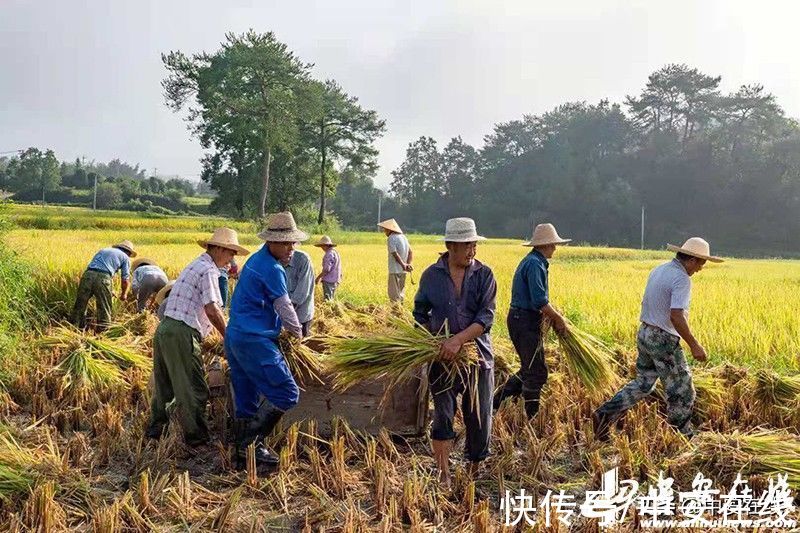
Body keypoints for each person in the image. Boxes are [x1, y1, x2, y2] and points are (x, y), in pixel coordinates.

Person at [593, 237, 723, 440]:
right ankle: (682, 436)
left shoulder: (659, 270)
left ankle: (605, 413)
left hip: (645, 333)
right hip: (663, 339)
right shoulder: (682, 279)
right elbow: (676, 315)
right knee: (682, 389)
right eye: (701, 263)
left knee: (644, 383)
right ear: (692, 260)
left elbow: (647, 301)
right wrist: (694, 345)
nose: (700, 269)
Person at [146, 228, 249, 446]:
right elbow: (212, 309)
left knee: (164, 385)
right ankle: (196, 437)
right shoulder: (209, 270)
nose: (232, 259)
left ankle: (156, 430)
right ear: (220, 249)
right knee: (194, 387)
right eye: (231, 253)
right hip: (182, 332)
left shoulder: (196, 264)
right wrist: (229, 337)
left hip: (165, 329)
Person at [413, 217, 496, 486]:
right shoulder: (431, 276)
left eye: (474, 244)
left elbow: (486, 318)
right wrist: (433, 341)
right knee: (443, 414)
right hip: (442, 358)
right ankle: (443, 472)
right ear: (450, 246)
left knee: (478, 415)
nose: (472, 250)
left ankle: (473, 470)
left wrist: (458, 341)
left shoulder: (485, 275)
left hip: (477, 358)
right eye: (466, 245)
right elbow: (419, 312)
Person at [225, 212, 307, 467]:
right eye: (286, 243)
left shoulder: (255, 260)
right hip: (254, 339)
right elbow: (284, 307)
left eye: (293, 243)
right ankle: (251, 444)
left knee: (247, 398)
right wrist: (298, 334)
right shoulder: (271, 268)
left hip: (236, 337)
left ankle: (243, 456)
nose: (291, 248)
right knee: (287, 392)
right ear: (272, 241)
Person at [493, 223, 570, 418]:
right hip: (524, 321)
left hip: (522, 319)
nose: (555, 248)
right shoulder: (535, 264)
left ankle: (496, 402)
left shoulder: (534, 261)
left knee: (531, 368)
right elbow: (539, 300)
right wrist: (558, 318)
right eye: (553, 244)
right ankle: (530, 416)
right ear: (545, 245)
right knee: (536, 372)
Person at [71, 240, 136, 330]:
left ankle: (75, 328)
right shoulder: (125, 257)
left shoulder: (103, 250)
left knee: (80, 304)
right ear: (128, 252)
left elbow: (96, 268)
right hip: (104, 278)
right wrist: (124, 294)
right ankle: (103, 333)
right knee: (104, 307)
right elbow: (125, 279)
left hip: (87, 275)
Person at [378, 218, 413, 303]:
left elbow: (394, 253)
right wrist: (407, 264)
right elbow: (410, 252)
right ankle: (400, 312)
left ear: (389, 230)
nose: (384, 232)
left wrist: (403, 264)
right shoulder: (404, 237)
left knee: (393, 295)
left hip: (394, 270)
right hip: (403, 271)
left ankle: (395, 313)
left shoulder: (391, 238)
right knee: (400, 294)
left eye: (385, 230)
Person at [285, 245, 315, 337]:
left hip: (301, 313)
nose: (291, 248)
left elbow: (302, 292)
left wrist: (287, 313)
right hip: (285, 313)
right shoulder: (273, 260)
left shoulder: (302, 259)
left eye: (292, 243)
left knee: (302, 341)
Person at [314, 235, 342, 301]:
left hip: (329, 280)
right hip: (336, 279)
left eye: (322, 246)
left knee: (328, 300)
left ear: (326, 245)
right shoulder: (335, 252)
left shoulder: (328, 254)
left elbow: (326, 269)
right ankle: (334, 310)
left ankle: (330, 310)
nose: (321, 248)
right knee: (331, 298)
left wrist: (318, 277)